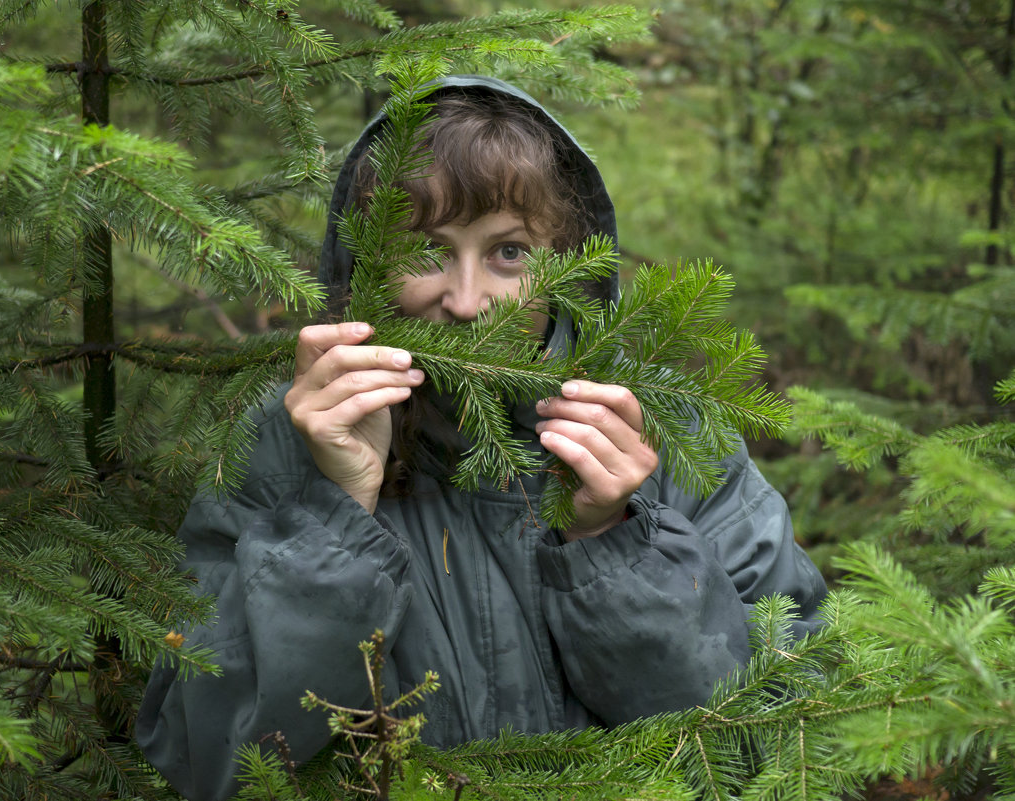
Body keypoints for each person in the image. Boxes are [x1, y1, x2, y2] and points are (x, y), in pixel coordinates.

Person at [136, 75, 827, 801]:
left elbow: (786, 742)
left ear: (567, 266)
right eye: (425, 250)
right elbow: (201, 758)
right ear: (366, 263)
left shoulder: (660, 432)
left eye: (508, 253)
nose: (465, 303)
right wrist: (335, 511)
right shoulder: (284, 442)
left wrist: (615, 543)